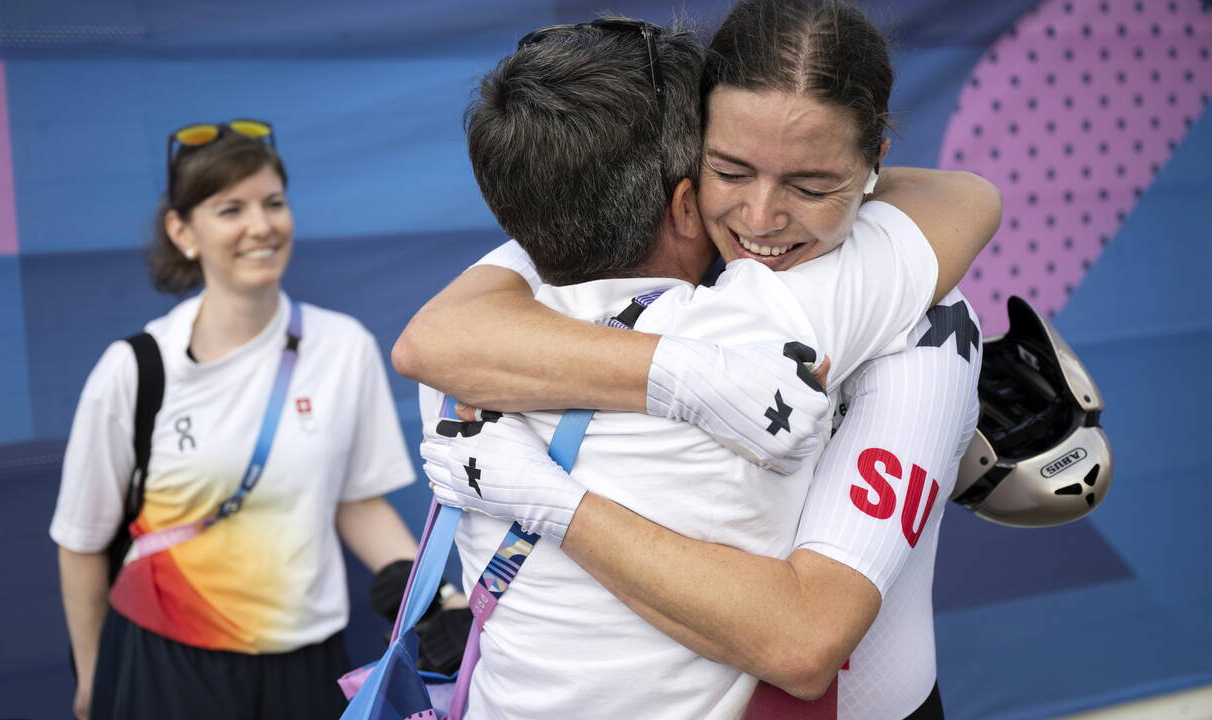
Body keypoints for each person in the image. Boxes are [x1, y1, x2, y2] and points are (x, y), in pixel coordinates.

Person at [396, 3, 999, 718]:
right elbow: (428, 340)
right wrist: (691, 376)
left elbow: (805, 640)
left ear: (876, 161)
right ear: (686, 179)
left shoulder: (910, 313)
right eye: (729, 170)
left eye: (812, 185)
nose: (760, 218)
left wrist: (545, 497)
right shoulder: (723, 303)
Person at [50, 122, 426, 720]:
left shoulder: (343, 346)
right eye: (231, 209)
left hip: (308, 663)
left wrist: (437, 599)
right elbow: (81, 542)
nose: (261, 226)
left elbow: (357, 503)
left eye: (273, 203)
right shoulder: (136, 368)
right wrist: (94, 679)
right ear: (182, 232)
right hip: (164, 662)